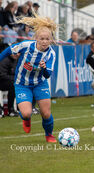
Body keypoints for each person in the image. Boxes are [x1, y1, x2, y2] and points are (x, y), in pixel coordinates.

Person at [0, 13, 58, 143]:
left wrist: (43, 68)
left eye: (47, 39)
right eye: (42, 38)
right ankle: (26, 120)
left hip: (40, 84)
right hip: (22, 84)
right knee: (26, 113)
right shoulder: (26, 45)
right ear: (36, 38)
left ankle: (49, 135)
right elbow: (8, 51)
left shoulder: (51, 54)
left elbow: (48, 75)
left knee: (46, 113)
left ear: (51, 40)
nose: (44, 41)